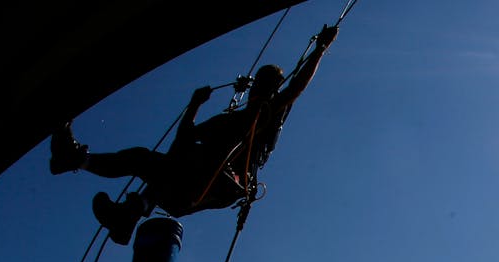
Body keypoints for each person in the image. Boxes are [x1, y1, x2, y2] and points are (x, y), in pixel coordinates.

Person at [51, 24, 337, 243]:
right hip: (189, 185)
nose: (260, 91)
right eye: (259, 85)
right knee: (141, 158)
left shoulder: (267, 115)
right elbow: (183, 138)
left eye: (267, 85)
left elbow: (296, 87)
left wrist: (320, 48)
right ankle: (80, 164)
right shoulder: (228, 122)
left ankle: (132, 208)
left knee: (191, 159)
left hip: (215, 183)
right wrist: (194, 106)